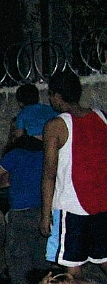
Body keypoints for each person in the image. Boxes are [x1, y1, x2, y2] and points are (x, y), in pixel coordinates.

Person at [40, 70, 107, 270]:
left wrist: (45, 214)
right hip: (102, 202)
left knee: (71, 267)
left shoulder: (56, 126)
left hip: (71, 205)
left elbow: (49, 174)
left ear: (58, 96)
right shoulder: (101, 117)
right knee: (103, 257)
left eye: (51, 94)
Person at [0, 135, 46, 284]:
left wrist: (11, 178)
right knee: (41, 259)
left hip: (20, 213)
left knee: (18, 259)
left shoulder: (16, 154)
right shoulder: (46, 154)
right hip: (43, 212)